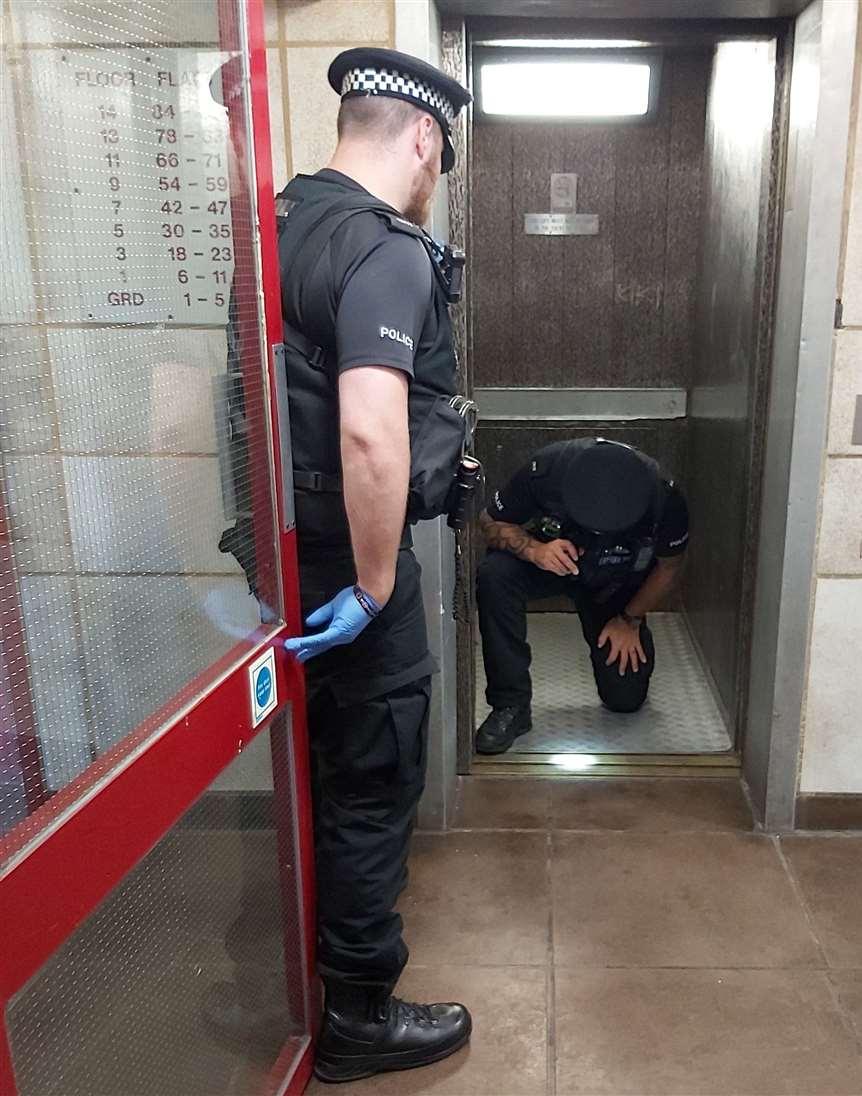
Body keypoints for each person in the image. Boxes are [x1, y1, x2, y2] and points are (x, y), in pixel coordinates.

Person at [276, 48, 472, 1083]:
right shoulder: (385, 248)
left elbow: (186, 401)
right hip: (349, 576)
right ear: (424, 138)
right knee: (370, 777)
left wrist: (244, 559)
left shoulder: (268, 226)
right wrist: (378, 582)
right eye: (440, 160)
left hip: (275, 565)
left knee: (299, 772)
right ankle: (355, 1013)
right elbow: (371, 438)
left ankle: (289, 981)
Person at [475, 437, 690, 754]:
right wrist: (535, 551)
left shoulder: (665, 499)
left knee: (625, 698)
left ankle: (623, 642)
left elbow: (668, 567)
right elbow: (490, 520)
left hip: (613, 581)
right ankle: (511, 706)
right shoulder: (546, 470)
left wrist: (629, 620)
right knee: (494, 575)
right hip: (552, 559)